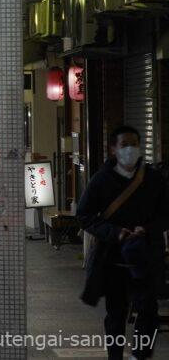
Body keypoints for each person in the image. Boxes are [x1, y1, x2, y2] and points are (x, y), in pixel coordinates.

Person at [78, 125, 167, 360]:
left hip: (145, 256)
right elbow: (84, 215)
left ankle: (139, 355)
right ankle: (115, 355)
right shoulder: (101, 180)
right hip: (113, 258)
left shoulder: (154, 178)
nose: (130, 149)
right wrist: (114, 232)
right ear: (113, 149)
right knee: (116, 313)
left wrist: (146, 229)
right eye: (124, 144)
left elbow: (166, 213)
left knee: (148, 310)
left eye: (135, 144)